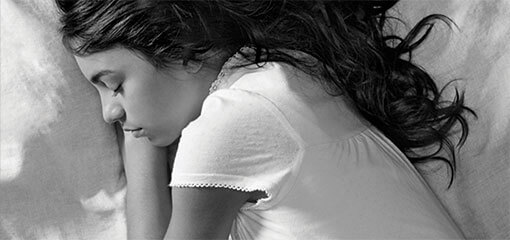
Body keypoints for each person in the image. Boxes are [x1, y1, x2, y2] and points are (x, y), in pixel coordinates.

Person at [56, 0, 475, 239]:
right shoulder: (295, 76)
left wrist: (140, 138)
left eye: (113, 84)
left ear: (178, 45)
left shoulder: (232, 122)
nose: (109, 112)